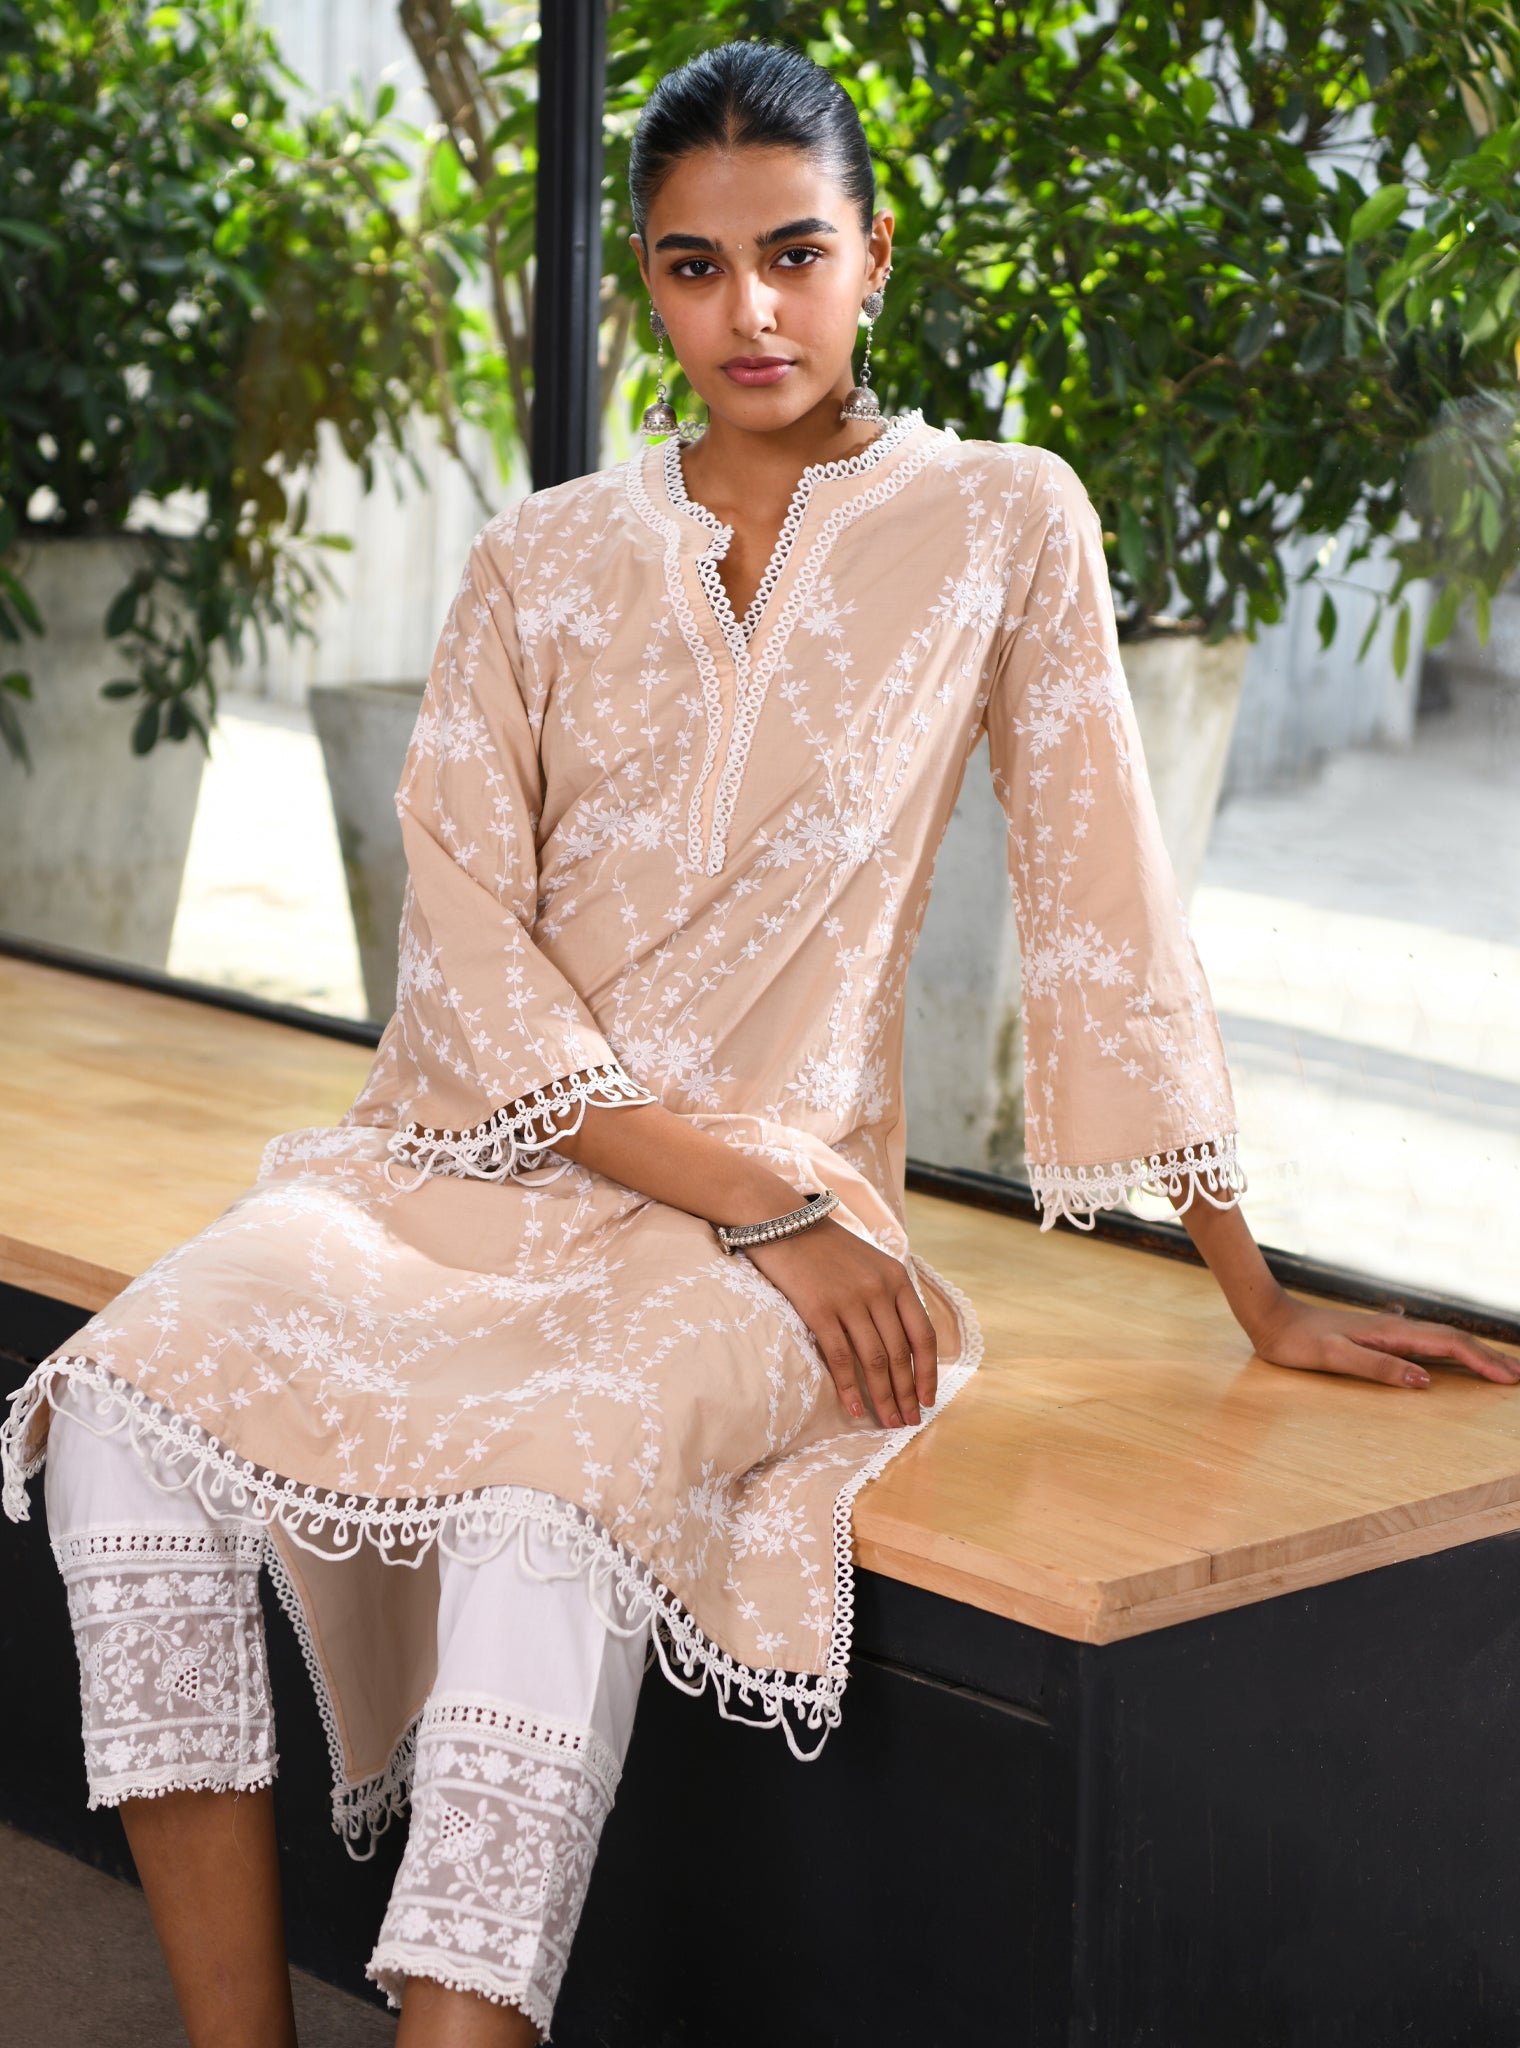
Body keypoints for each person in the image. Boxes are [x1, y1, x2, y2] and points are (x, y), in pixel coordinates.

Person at [5, 37, 1516, 2048]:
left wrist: (1249, 1282)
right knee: (118, 1404)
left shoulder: (999, 519)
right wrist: (740, 1197)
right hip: (471, 1169)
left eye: (794, 255)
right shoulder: (538, 557)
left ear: (873, 255)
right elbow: (463, 952)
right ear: (647, 281)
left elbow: (1106, 906)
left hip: (779, 1218)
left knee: (551, 1499)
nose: (752, 313)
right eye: (694, 267)